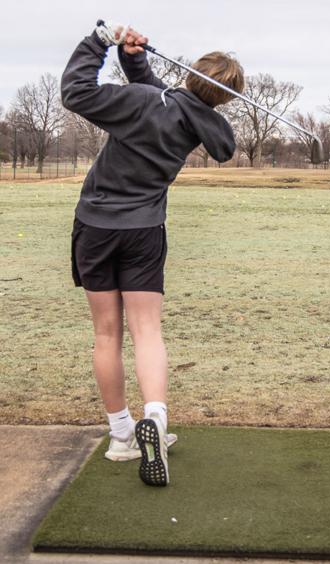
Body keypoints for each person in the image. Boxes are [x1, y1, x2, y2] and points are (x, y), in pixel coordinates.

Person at [61, 21, 241, 486]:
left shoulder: (146, 103)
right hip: (144, 231)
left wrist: (97, 43)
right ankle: (156, 423)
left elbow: (76, 92)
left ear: (191, 74)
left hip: (96, 228)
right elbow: (165, 100)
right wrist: (134, 59)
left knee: (106, 335)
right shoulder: (196, 122)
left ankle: (122, 436)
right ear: (223, 97)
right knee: (147, 332)